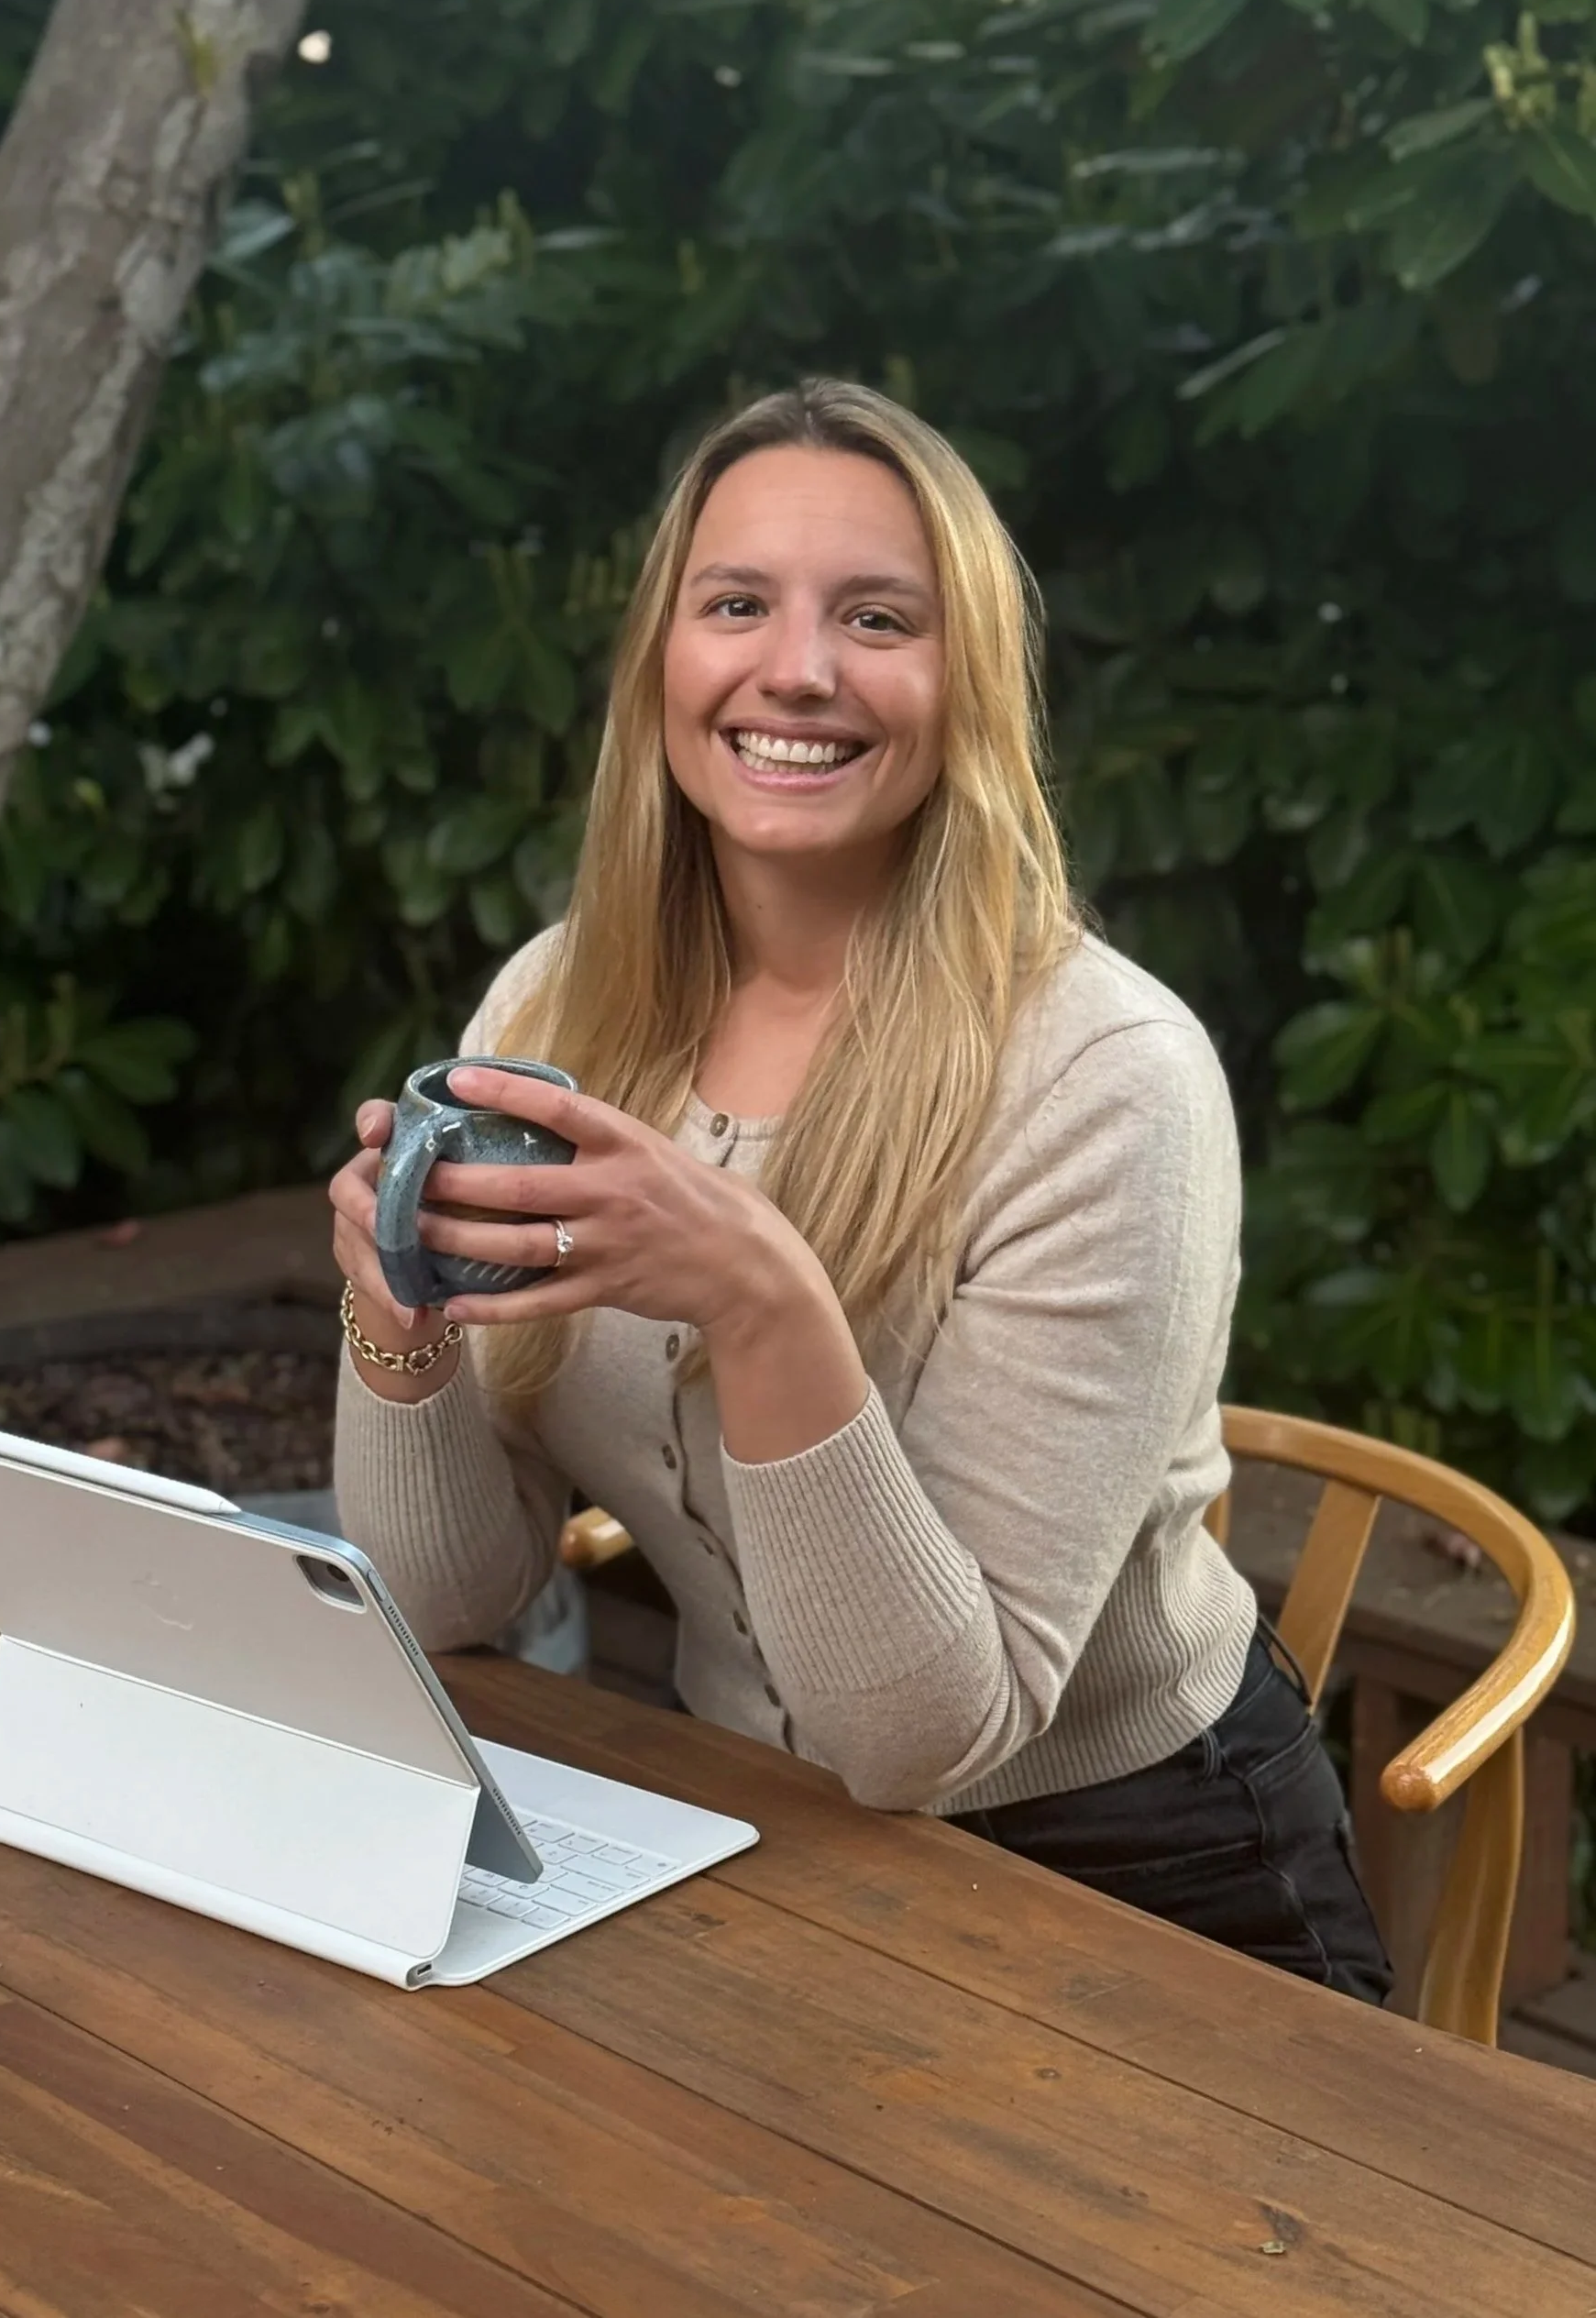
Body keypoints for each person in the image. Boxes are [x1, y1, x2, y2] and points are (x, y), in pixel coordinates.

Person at [327, 379, 1392, 2003]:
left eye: (877, 617)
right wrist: (392, 1314)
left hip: (1132, 1878)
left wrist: (756, 1295)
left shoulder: (1107, 1076)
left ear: (965, 684)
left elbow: (924, 1742)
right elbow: (450, 1602)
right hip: (745, 1833)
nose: (797, 669)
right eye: (736, 603)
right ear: (660, 663)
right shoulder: (556, 1012)